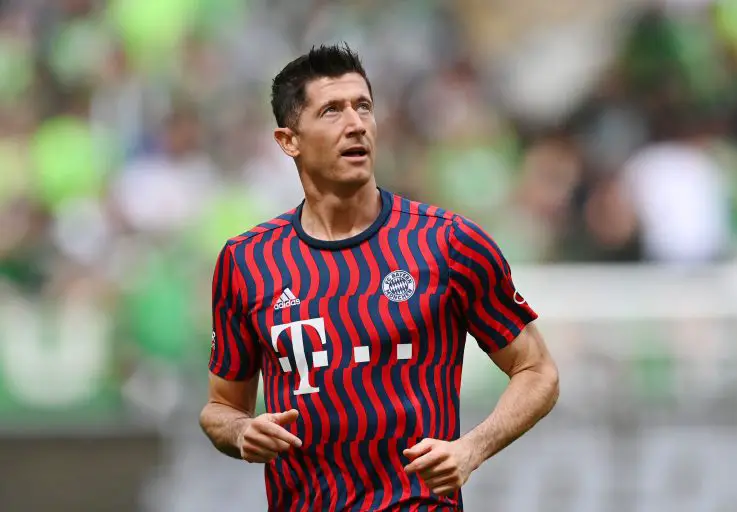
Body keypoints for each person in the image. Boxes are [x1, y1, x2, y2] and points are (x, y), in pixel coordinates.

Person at [199, 43, 559, 511]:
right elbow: (220, 407)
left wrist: (471, 449)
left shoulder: (447, 243)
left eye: (363, 106)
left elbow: (538, 372)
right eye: (331, 110)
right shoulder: (247, 262)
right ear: (289, 140)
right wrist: (243, 430)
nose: (355, 124)